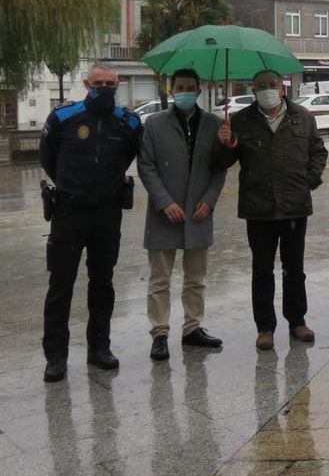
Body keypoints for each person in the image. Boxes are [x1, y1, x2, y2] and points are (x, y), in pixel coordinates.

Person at [39, 62, 142, 382]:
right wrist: (73, 185)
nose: (104, 88)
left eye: (110, 84)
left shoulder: (128, 121)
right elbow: (48, 157)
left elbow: (129, 157)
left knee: (103, 282)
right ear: (86, 83)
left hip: (107, 213)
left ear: (118, 85)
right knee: (61, 285)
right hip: (70, 211)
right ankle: (56, 356)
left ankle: (99, 348)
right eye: (98, 82)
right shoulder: (63, 117)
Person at [214, 70, 328, 350]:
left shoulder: (303, 117)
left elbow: (319, 152)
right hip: (259, 209)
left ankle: (297, 321)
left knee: (294, 269)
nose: (267, 90)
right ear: (253, 91)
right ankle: (265, 327)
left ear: (282, 89)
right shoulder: (240, 121)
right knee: (262, 270)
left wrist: (309, 180)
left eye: (272, 85)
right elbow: (222, 162)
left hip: (294, 206)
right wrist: (227, 142)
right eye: (261, 86)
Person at [137, 69, 227, 361]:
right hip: (165, 213)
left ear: (199, 90)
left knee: (196, 278)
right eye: (180, 87)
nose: (185, 91)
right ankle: (159, 333)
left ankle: (192, 328)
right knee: (159, 279)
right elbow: (146, 166)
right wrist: (164, 202)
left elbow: (219, 168)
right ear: (171, 89)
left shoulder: (214, 124)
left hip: (199, 212)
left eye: (191, 87)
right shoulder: (154, 124)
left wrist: (210, 200)